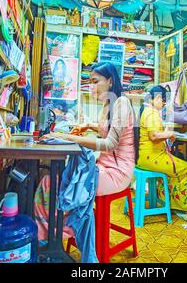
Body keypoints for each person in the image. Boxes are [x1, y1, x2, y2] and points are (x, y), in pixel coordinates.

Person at [35, 62, 136, 242]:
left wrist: (68, 138)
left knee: (51, 183)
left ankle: (53, 235)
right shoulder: (108, 105)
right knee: (52, 179)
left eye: (96, 81)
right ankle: (56, 232)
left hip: (117, 172)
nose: (92, 86)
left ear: (110, 81)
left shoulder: (122, 103)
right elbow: (107, 129)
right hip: (103, 166)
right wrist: (88, 125)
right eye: (91, 82)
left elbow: (110, 143)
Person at [136, 85, 187, 212]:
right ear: (157, 98)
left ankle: (170, 203)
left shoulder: (145, 111)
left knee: (175, 166)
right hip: (152, 158)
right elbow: (153, 136)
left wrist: (166, 132)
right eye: (163, 101)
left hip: (144, 158)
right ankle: (184, 206)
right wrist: (169, 134)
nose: (163, 105)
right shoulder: (151, 113)